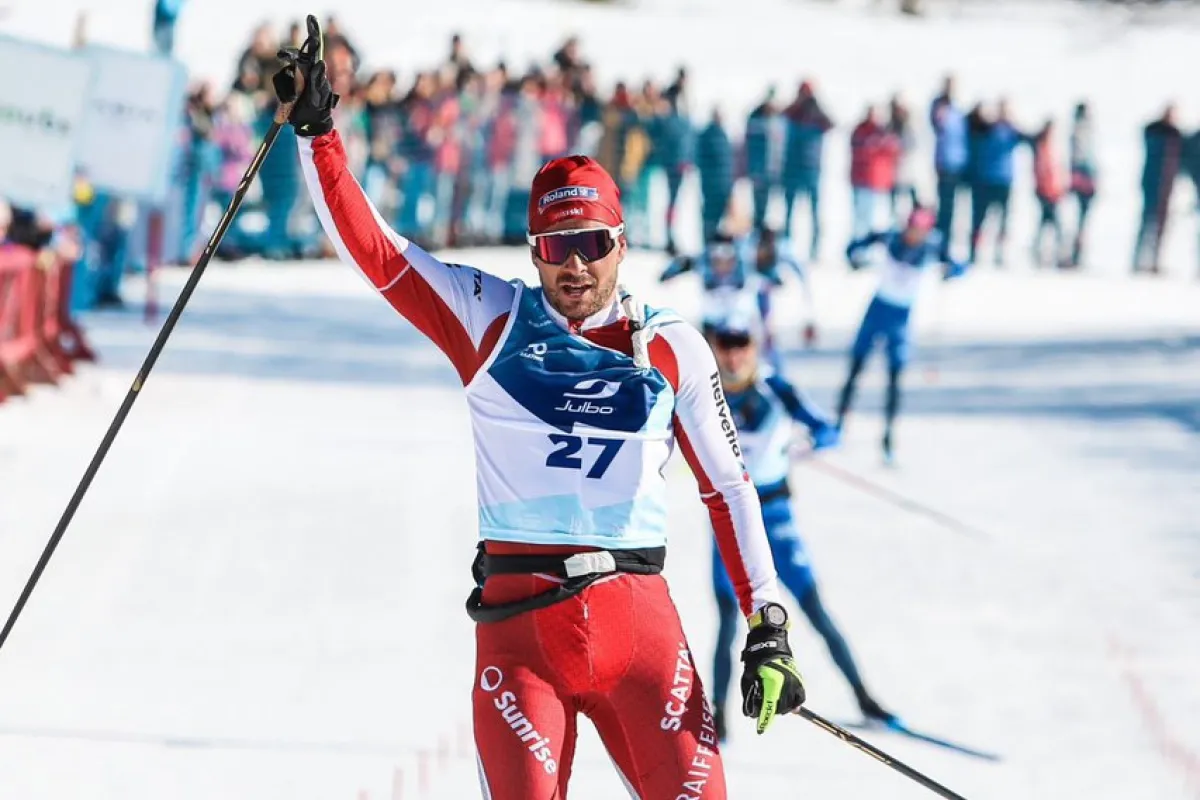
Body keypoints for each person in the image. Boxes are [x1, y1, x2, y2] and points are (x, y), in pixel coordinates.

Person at [273, 18, 806, 798]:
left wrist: (767, 623)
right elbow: (380, 252)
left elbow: (728, 485)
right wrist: (317, 133)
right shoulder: (488, 318)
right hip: (522, 636)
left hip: (641, 629)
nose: (576, 265)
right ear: (533, 253)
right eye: (556, 247)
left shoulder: (671, 348)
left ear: (623, 242)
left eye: (592, 242)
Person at [703, 311, 897, 742]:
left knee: (813, 609)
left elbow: (829, 431)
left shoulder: (776, 387)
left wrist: (808, 441)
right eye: (725, 345)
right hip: (728, 523)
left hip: (775, 517)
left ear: (755, 346)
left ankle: (864, 697)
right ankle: (717, 717)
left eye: (742, 344)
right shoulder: (703, 389)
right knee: (727, 622)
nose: (733, 355)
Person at [835, 207, 968, 464]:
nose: (914, 236)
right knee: (856, 366)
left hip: (901, 317)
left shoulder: (932, 247)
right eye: (912, 229)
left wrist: (951, 272)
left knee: (895, 376)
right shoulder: (889, 237)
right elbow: (853, 246)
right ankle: (839, 424)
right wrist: (855, 258)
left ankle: (888, 437)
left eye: (920, 231)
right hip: (878, 309)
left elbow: (962, 266)